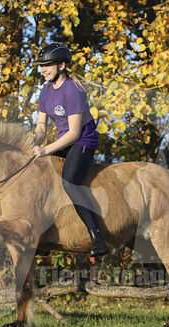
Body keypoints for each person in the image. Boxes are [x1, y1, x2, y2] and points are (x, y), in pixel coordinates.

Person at [32, 43, 109, 257]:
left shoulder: (72, 91)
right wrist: (35, 142)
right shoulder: (46, 90)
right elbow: (41, 126)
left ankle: (97, 237)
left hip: (83, 140)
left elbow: (74, 133)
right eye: (41, 65)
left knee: (69, 180)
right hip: (64, 141)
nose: (43, 69)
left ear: (62, 65)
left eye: (47, 65)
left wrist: (46, 150)